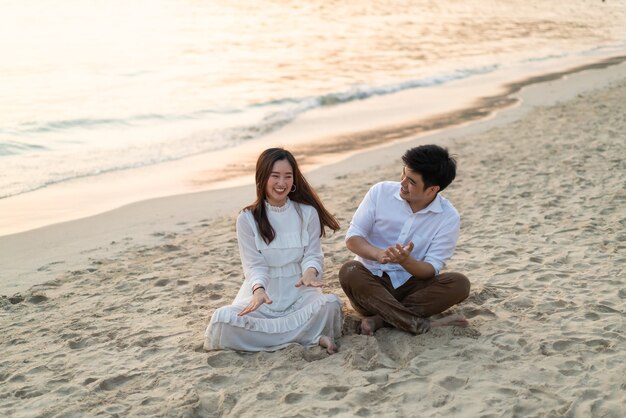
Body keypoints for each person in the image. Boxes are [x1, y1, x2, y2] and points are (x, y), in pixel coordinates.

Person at [204, 148, 342, 354]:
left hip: (300, 293)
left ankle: (285, 339)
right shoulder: (247, 218)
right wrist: (258, 290)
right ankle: (308, 337)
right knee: (222, 320)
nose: (282, 183)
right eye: (275, 176)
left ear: (294, 179)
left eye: (288, 176)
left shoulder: (307, 213)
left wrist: (309, 273)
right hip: (265, 297)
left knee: (331, 304)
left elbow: (312, 254)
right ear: (262, 177)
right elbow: (253, 265)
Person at [339, 144, 470, 336]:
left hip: (412, 289)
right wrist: (378, 254)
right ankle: (419, 324)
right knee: (349, 270)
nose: (402, 183)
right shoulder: (380, 192)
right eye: (403, 175)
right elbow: (353, 238)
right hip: (371, 287)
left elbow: (430, 270)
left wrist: (406, 261)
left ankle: (382, 320)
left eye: (411, 181)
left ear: (432, 190)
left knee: (460, 284)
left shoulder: (448, 217)